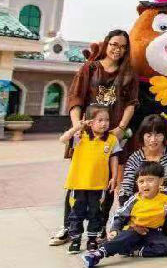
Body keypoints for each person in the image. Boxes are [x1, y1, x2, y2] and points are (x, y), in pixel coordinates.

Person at [51, 30, 138, 247]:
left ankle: (98, 230)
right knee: (78, 180)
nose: (117, 49)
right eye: (114, 44)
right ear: (107, 44)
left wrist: (121, 128)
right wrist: (77, 127)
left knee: (107, 182)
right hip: (87, 135)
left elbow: (131, 103)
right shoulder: (90, 68)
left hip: (111, 135)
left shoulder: (128, 73)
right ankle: (69, 228)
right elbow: (76, 98)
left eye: (123, 46)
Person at [81, 162, 167, 267]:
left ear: (160, 181)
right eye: (141, 181)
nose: (145, 184)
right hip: (133, 230)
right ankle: (98, 254)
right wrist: (115, 230)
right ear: (137, 183)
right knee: (125, 238)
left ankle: (133, 250)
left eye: (150, 180)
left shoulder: (166, 195)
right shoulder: (134, 200)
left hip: (153, 232)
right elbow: (120, 216)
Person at [59, 105, 122, 254]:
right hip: (78, 184)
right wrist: (77, 127)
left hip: (99, 185)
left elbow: (114, 159)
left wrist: (114, 177)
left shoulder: (112, 139)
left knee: (96, 214)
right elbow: (62, 139)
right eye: (100, 120)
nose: (104, 123)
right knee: (76, 214)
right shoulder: (80, 136)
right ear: (90, 122)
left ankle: (92, 240)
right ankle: (75, 240)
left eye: (107, 120)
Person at [118, 114, 167, 204]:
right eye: (149, 135)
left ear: (164, 135)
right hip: (145, 204)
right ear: (142, 136)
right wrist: (124, 202)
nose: (153, 140)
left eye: (158, 135)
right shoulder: (135, 158)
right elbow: (127, 186)